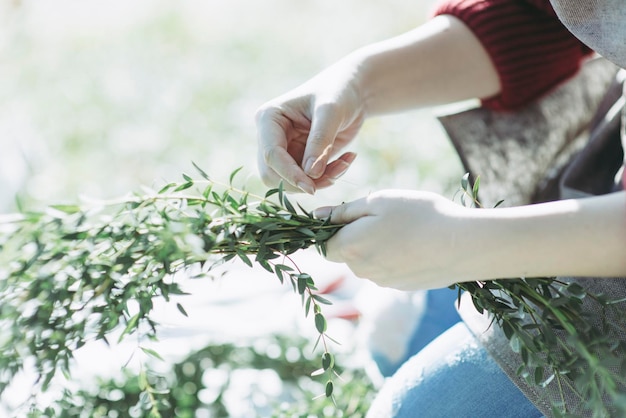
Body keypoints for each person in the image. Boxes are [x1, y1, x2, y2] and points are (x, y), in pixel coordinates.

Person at [255, 0, 626, 416]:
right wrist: (358, 82)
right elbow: (547, 15)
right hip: (601, 198)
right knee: (395, 334)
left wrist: (461, 244)